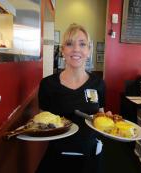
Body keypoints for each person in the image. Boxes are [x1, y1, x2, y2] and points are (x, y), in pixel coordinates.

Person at [36, 24, 106, 173]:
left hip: (91, 157)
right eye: (69, 44)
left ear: (89, 50)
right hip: (58, 159)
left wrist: (108, 120)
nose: (76, 49)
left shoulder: (98, 83)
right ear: (62, 50)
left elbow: (100, 114)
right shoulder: (48, 84)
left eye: (82, 44)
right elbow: (42, 122)